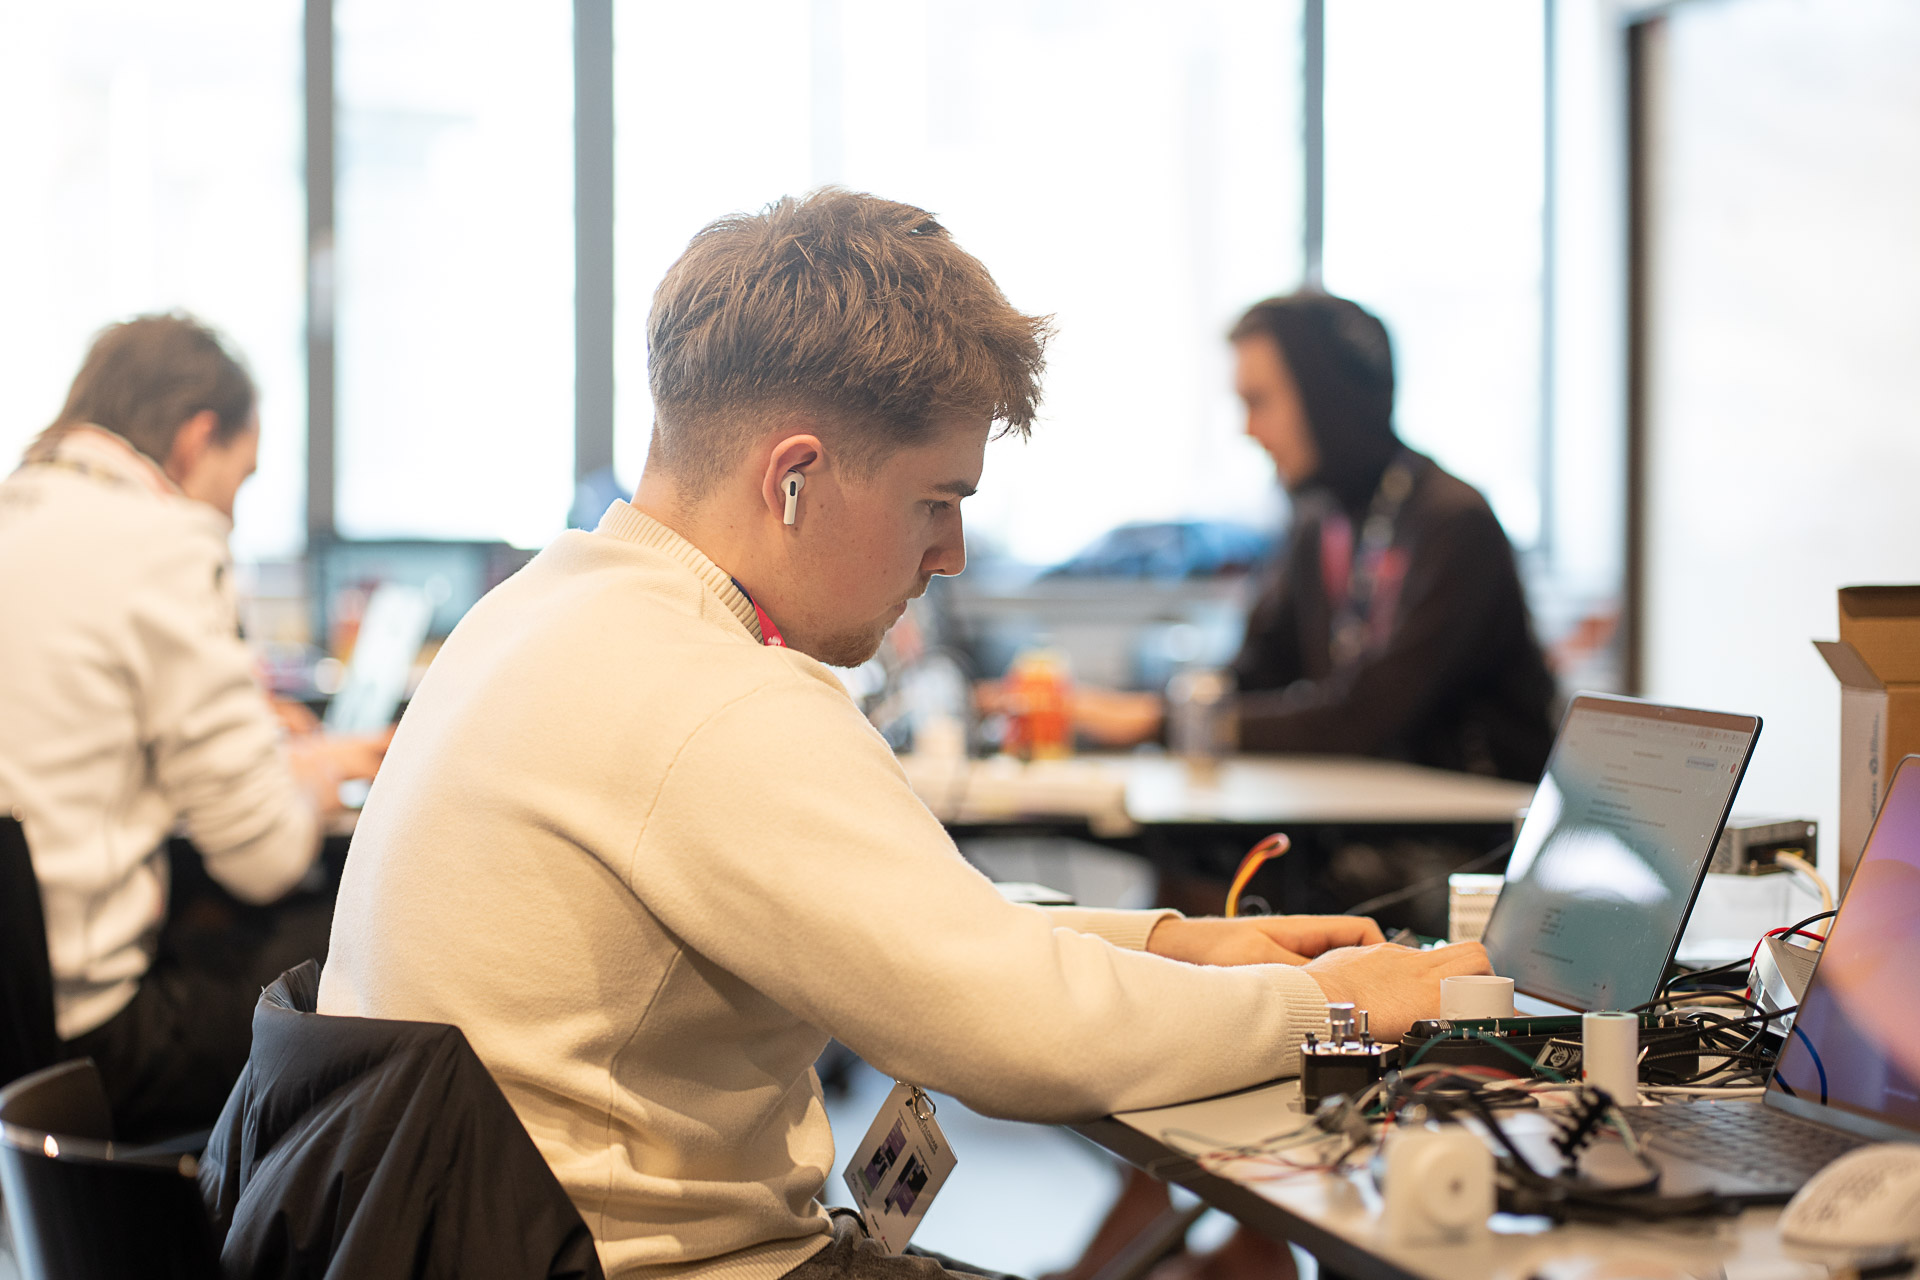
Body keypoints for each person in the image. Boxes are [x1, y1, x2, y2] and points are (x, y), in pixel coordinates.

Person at [315, 189, 1490, 1280]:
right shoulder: (716, 698)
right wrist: (1344, 1005)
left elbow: (919, 931)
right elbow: (1022, 1032)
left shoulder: (542, 612)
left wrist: (1177, 944)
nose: (951, 554)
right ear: (795, 478)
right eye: (937, 499)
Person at [0, 314, 386, 1139]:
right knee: (377, 928)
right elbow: (264, 860)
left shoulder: (20, 512)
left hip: (17, 1015)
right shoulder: (160, 540)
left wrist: (260, 746)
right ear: (195, 438)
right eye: (239, 481)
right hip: (94, 1042)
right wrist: (312, 779)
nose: (233, 518)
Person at [1069, 291, 1558, 782]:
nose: (1248, 430)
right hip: (1371, 804)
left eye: (1258, 402)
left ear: (1330, 397)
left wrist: (1158, 722)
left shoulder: (1453, 524)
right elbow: (1255, 673)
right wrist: (1147, 708)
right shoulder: (1318, 524)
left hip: (1472, 816)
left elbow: (1364, 718)